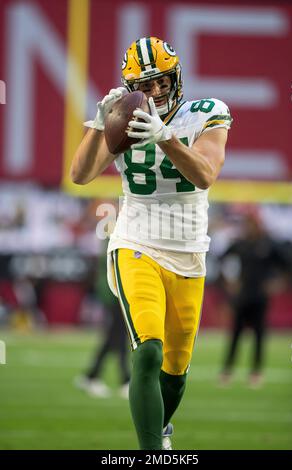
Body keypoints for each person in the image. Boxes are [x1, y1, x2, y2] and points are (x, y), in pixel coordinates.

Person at [71, 36, 232, 450]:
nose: (156, 90)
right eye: (147, 83)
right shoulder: (126, 116)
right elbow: (81, 175)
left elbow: (205, 174)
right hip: (135, 241)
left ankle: (159, 432)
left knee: (176, 372)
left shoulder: (206, 113)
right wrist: (97, 126)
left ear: (175, 76)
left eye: (162, 81)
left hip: (189, 249)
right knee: (147, 351)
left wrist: (165, 136)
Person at [219, 209, 290, 388]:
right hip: (242, 297)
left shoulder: (268, 244)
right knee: (235, 334)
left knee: (259, 335)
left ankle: (256, 372)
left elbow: (287, 264)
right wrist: (229, 281)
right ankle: (228, 370)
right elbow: (222, 259)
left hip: (260, 297)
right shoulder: (241, 244)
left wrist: (278, 282)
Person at [75, 253, 130, 398]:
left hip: (114, 289)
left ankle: (91, 376)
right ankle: (125, 380)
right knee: (119, 334)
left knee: (114, 336)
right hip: (115, 290)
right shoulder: (116, 235)